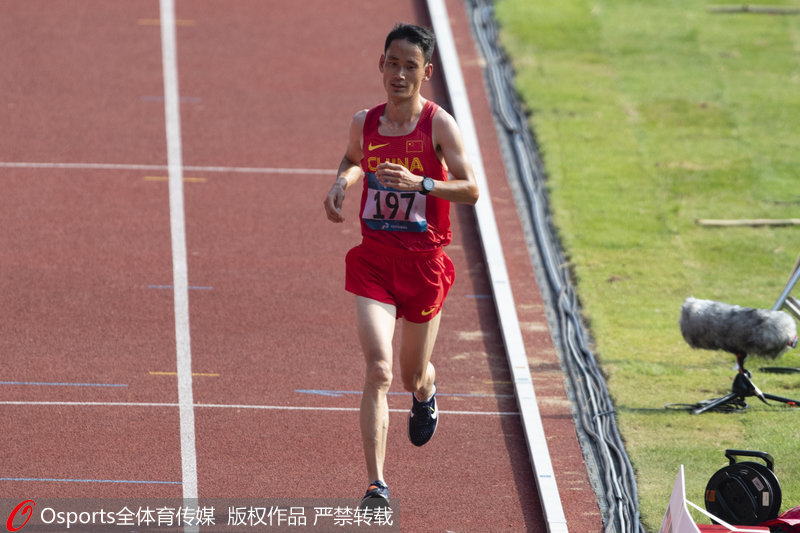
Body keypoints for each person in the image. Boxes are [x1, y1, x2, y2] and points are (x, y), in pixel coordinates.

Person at [323, 23, 479, 507]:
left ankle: (427, 390)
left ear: (426, 72)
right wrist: (342, 183)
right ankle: (376, 485)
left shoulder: (439, 125)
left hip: (424, 265)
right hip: (374, 261)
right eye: (392, 63)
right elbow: (353, 158)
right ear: (381, 65)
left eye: (410, 66)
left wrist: (422, 185)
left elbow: (471, 190)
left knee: (411, 375)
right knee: (378, 369)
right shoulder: (364, 122)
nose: (399, 73)